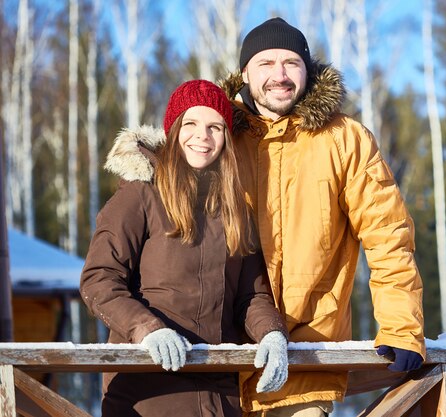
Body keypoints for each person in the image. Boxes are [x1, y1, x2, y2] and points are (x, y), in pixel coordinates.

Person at [218, 17, 426, 417]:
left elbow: (388, 236)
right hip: (220, 365)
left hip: (306, 359)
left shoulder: (346, 139)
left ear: (308, 71)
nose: (279, 75)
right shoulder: (216, 136)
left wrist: (402, 327)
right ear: (245, 72)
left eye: (291, 63)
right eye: (266, 63)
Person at [80, 80, 290, 417]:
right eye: (190, 124)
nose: (202, 137)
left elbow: (251, 297)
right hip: (146, 391)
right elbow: (99, 280)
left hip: (218, 396)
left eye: (214, 127)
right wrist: (148, 330)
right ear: (173, 129)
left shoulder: (236, 209)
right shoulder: (141, 193)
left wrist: (272, 334)